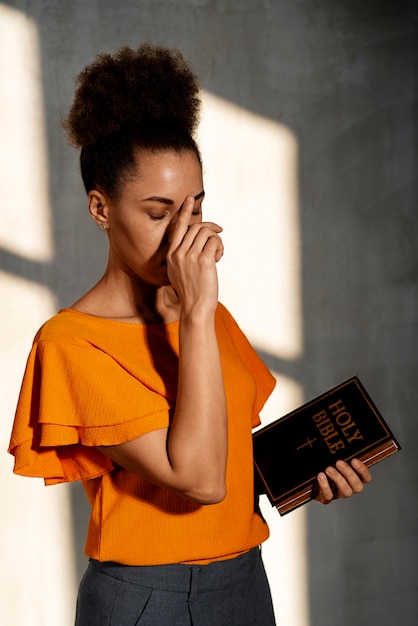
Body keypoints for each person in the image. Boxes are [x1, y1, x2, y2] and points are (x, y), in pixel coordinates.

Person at [8, 44, 372, 626]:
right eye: (158, 213)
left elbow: (227, 466)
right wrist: (198, 313)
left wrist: (307, 472)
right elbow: (197, 480)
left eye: (195, 206)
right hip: (144, 599)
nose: (185, 234)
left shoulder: (203, 312)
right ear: (100, 208)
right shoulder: (72, 342)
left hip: (245, 582)